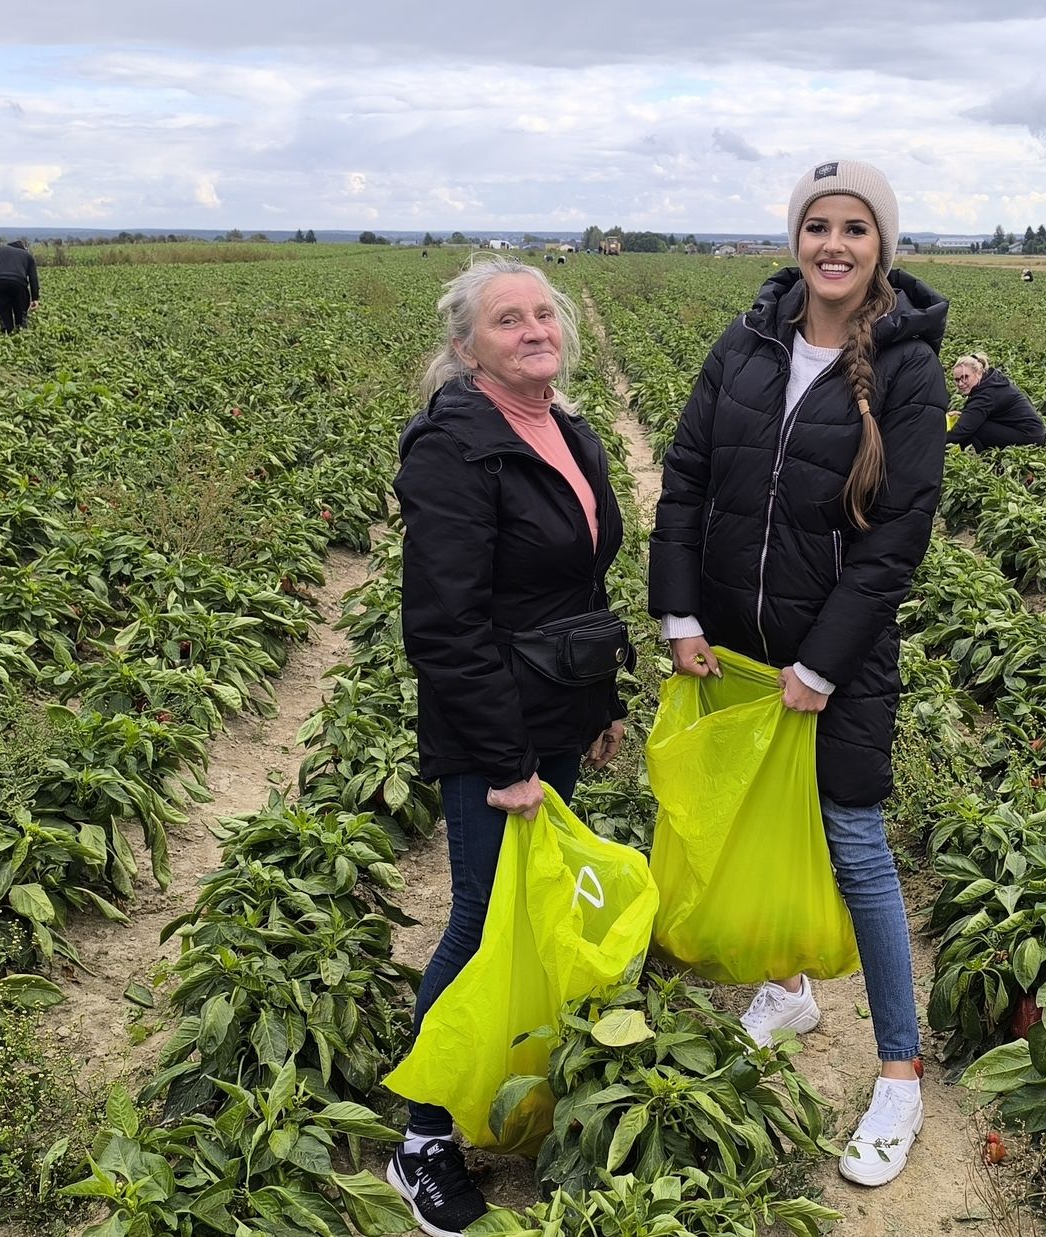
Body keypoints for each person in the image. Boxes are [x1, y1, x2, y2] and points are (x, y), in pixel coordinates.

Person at [649, 159, 946, 1187]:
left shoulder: (906, 373)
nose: (833, 243)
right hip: (735, 641)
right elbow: (685, 479)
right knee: (753, 819)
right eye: (817, 224)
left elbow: (897, 537)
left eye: (854, 228)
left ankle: (900, 1074)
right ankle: (789, 986)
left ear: (881, 247)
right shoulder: (746, 345)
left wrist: (823, 663)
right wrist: (680, 608)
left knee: (855, 845)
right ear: (795, 238)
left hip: (841, 656)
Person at [389, 255, 629, 1236]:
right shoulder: (453, 449)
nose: (533, 329)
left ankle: (511, 1071)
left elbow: (577, 590)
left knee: (527, 912)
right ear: (465, 347)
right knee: (483, 917)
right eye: (506, 320)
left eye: (543, 313)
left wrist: (599, 702)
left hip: (554, 705)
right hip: (494, 730)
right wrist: (510, 762)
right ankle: (423, 1139)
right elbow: (445, 624)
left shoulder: (564, 427)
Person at [946, 352, 1046, 451]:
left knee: (973, 430)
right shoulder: (991, 381)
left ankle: (978, 458)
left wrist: (934, 440)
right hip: (1035, 432)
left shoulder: (985, 395)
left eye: (965, 377)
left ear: (978, 372)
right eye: (957, 379)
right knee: (972, 423)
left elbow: (962, 431)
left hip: (1029, 436)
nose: (960, 383)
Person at [0, 239, 40, 333]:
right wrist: (35, 298)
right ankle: (21, 329)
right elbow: (33, 278)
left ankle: (6, 328)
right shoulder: (28, 256)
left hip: (0, 283)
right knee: (20, 312)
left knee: (3, 311)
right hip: (19, 284)